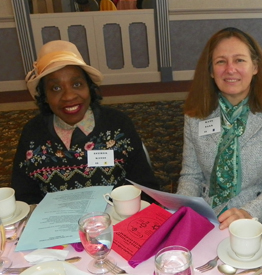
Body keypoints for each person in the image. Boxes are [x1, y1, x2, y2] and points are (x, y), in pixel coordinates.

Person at [177, 27, 262, 247]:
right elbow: (191, 176)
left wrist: (247, 213)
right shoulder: (195, 116)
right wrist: (184, 212)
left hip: (261, 227)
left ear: (255, 67)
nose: (230, 69)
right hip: (208, 223)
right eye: (221, 62)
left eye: (239, 60)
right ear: (211, 71)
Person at [11, 40, 159, 204]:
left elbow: (146, 189)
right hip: (55, 225)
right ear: (44, 96)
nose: (69, 96)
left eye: (77, 84)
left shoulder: (118, 125)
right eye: (56, 88)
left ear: (89, 87)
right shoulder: (32, 133)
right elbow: (23, 197)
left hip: (114, 223)